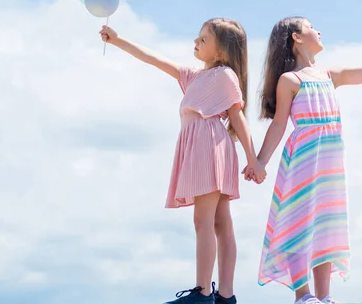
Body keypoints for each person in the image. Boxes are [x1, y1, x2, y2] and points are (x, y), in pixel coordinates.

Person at [243, 17, 362, 304]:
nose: (318, 30)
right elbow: (279, 124)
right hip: (303, 158)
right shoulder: (290, 80)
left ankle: (324, 296)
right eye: (311, 27)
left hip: (329, 161)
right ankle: (303, 295)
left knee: (324, 223)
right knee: (297, 222)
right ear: (297, 38)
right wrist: (260, 161)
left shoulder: (331, 75)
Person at [100, 18, 261, 304]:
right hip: (201, 146)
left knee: (204, 219)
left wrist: (253, 160)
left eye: (203, 40)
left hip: (209, 146)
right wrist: (118, 40)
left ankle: (202, 292)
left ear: (221, 51)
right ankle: (225, 295)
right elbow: (154, 59)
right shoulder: (194, 76)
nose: (195, 43)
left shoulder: (224, 75)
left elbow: (238, 119)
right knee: (220, 222)